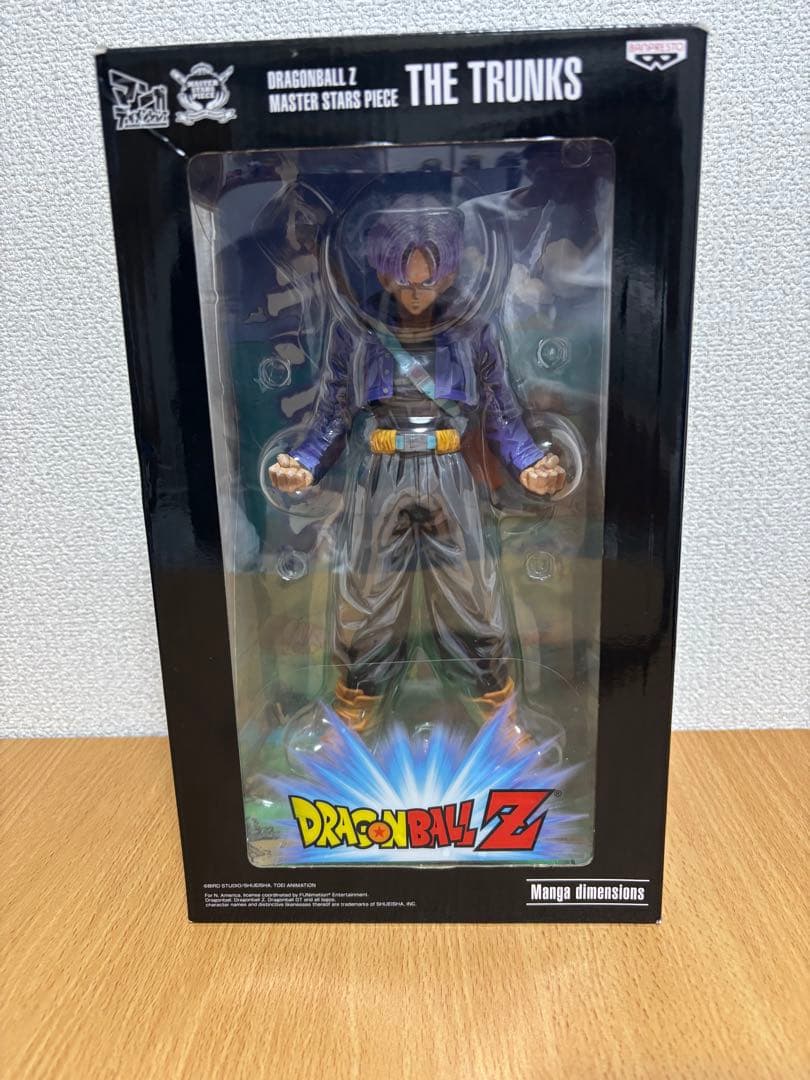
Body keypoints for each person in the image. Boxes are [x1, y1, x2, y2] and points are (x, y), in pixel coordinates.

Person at [268, 199, 564, 737]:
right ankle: (356, 706)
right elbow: (332, 415)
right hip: (380, 474)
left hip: (450, 473)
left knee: (471, 593)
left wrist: (532, 465)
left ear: (449, 271)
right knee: (368, 596)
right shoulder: (356, 330)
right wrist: (303, 465)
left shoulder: (473, 330)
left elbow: (502, 413)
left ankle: (497, 712)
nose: (415, 292)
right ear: (381, 269)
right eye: (403, 279)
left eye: (428, 280)